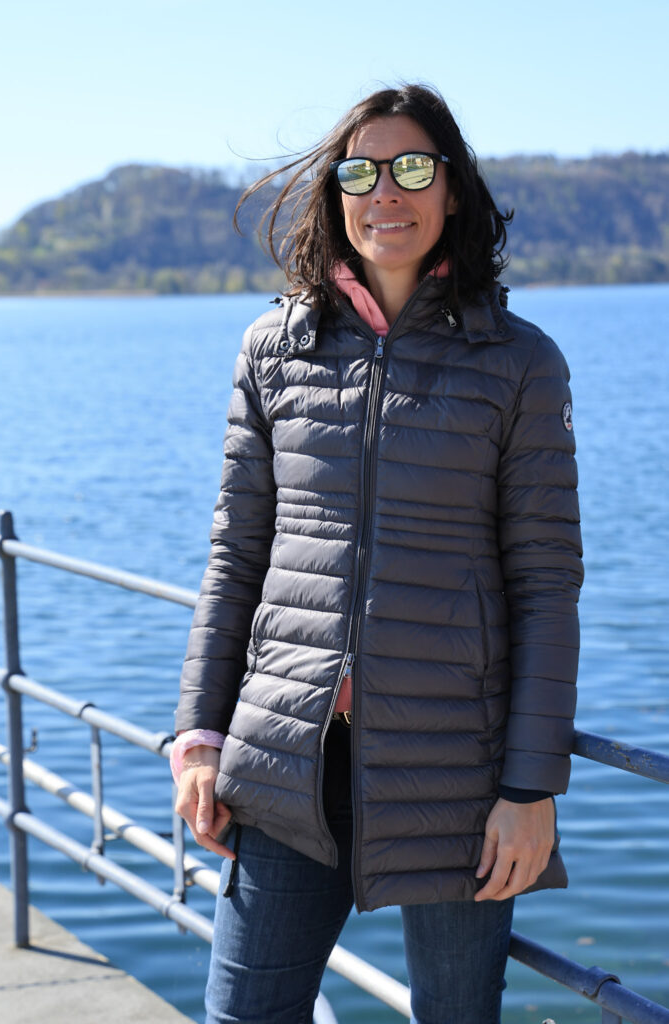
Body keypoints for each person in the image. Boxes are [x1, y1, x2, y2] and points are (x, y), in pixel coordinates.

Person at [170, 83, 584, 1024]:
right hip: (284, 767)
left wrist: (529, 789)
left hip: (457, 782)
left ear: (450, 190)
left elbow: (545, 587)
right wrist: (198, 737)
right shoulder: (275, 350)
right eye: (360, 170)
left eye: (409, 167)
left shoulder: (518, 363)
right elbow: (236, 558)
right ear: (335, 195)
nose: (383, 191)